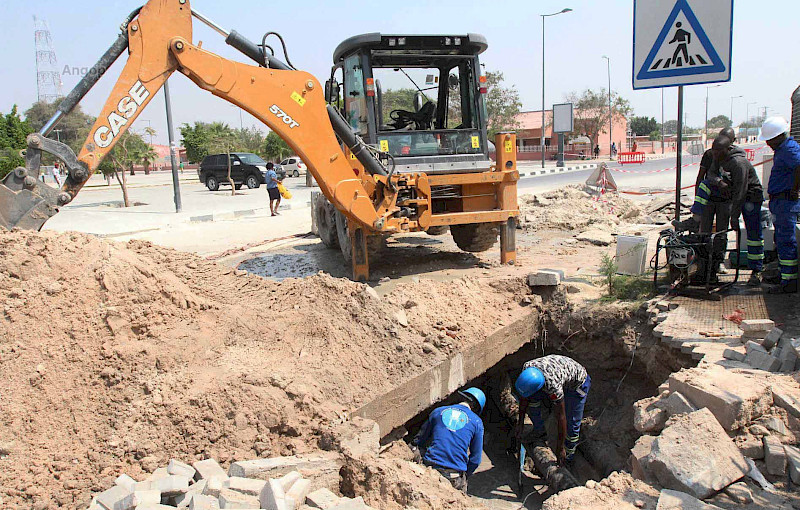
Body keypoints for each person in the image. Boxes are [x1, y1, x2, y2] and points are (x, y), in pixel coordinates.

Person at [674, 135, 763, 282]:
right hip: (726, 196)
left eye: (717, 151)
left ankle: (755, 270)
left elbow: (740, 192)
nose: (714, 154)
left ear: (728, 149)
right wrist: (719, 182)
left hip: (748, 198)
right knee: (707, 234)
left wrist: (734, 217)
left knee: (747, 233)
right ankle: (706, 269)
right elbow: (710, 174)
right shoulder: (717, 157)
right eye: (713, 151)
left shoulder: (738, 163)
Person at [515, 355, 590, 466]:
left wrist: (560, 449)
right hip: (557, 372)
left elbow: (561, 417)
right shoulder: (527, 367)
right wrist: (520, 422)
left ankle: (568, 457)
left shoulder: (553, 386)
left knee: (572, 423)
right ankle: (539, 432)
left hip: (578, 384)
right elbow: (524, 397)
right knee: (533, 401)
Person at [411, 387, 485, 493]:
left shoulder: (437, 411)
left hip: (430, 466)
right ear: (476, 408)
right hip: (453, 475)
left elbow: (418, 440)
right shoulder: (477, 422)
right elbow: (475, 459)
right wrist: (465, 475)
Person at [760, 117, 800, 293]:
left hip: (786, 202)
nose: (768, 143)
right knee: (780, 239)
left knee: (786, 241)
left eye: (769, 140)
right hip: (779, 201)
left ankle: (789, 281)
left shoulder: (790, 149)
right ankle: (784, 274)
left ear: (778, 136)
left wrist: (795, 189)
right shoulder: (783, 148)